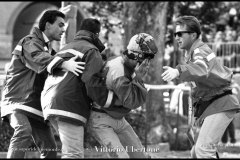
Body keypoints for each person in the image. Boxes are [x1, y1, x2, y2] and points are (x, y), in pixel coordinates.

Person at [1, 10, 85, 158]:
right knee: (23, 131)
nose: (63, 29)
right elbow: (38, 57)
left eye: (64, 26)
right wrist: (64, 64)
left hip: (35, 107)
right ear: (47, 25)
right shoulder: (29, 42)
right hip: (17, 102)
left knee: (50, 148)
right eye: (60, 25)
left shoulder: (48, 49)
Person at [161, 15, 240, 158]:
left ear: (193, 35)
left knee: (203, 151)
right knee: (196, 153)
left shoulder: (199, 51)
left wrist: (178, 70)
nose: (176, 37)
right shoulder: (193, 53)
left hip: (220, 103)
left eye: (180, 34)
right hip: (213, 105)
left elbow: (201, 69)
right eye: (175, 34)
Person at [41, 18, 108, 158]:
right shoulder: (92, 51)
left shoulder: (65, 48)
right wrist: (107, 102)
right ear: (96, 34)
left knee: (70, 150)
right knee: (73, 154)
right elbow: (92, 83)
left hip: (49, 102)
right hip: (69, 105)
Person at [88, 33, 158, 158]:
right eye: (147, 57)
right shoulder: (119, 70)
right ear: (137, 55)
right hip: (101, 120)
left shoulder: (126, 65)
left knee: (141, 156)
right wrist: (139, 78)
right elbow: (131, 102)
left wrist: (138, 78)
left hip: (118, 119)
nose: (148, 62)